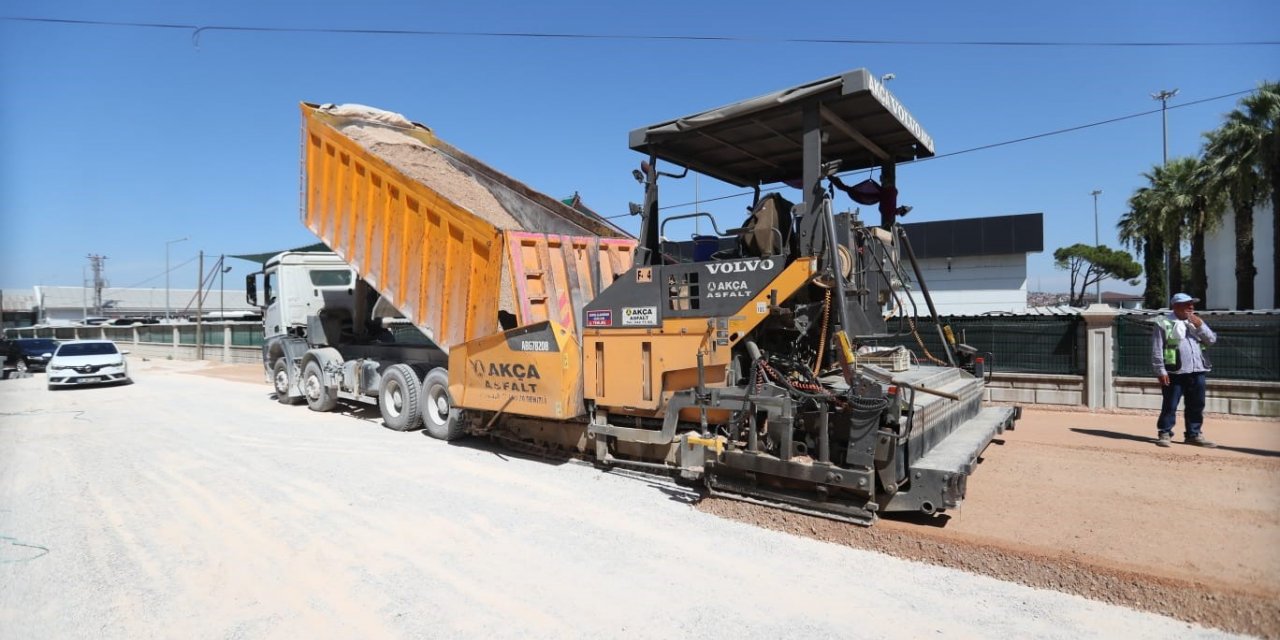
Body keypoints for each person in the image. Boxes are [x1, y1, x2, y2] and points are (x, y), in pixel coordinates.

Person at [1151, 293, 1218, 448]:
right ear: (1175, 306)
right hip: (1175, 371)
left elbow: (1211, 340)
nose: (1191, 307)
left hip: (1198, 369)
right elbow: (1157, 348)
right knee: (1170, 404)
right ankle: (1165, 432)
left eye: (1192, 304)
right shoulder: (1164, 322)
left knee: (1197, 404)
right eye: (1187, 304)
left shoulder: (1196, 322)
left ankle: (1193, 434)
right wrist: (1160, 370)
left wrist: (1200, 325)